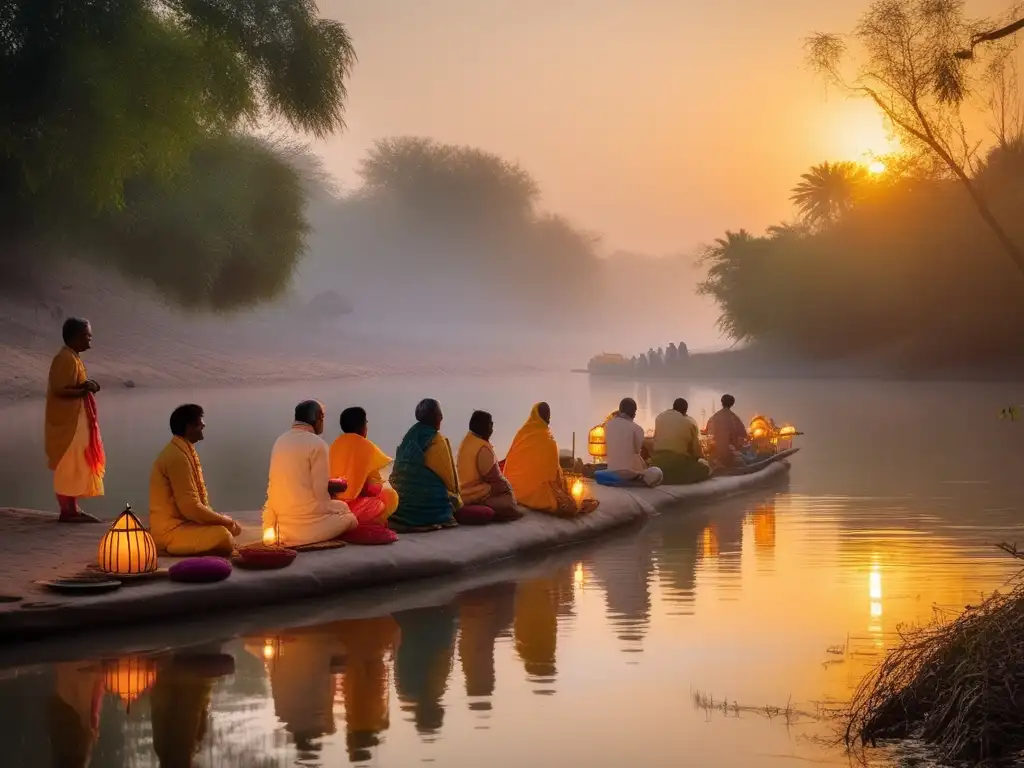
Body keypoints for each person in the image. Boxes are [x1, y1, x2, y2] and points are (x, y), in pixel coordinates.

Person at [149, 404, 241, 555]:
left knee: (231, 529)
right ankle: (166, 544)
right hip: (171, 531)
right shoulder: (177, 456)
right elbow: (190, 507)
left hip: (186, 524)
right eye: (200, 427)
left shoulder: (181, 450)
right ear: (189, 427)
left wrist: (223, 521)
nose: (203, 432)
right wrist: (224, 520)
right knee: (223, 536)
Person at [264, 400, 358, 547]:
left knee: (340, 508)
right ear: (319, 418)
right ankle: (303, 537)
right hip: (303, 524)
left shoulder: (280, 441)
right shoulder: (318, 444)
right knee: (349, 517)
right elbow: (320, 497)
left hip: (277, 523)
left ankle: (287, 533)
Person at [45, 317, 105, 523]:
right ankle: (67, 511)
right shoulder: (65, 358)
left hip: (76, 421)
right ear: (75, 337)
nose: (90, 340)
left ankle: (73, 508)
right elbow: (59, 389)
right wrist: (84, 389)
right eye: (87, 336)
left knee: (77, 463)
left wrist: (87, 386)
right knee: (68, 465)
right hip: (67, 424)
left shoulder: (73, 357)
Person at [503, 402, 596, 516]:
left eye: (549, 415)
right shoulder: (546, 439)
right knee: (570, 504)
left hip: (512, 488)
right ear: (540, 416)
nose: (549, 418)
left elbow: (510, 460)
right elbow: (551, 475)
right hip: (533, 492)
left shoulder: (522, 433)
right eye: (546, 415)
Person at [388, 399, 463, 531]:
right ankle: (427, 520)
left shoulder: (409, 436)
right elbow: (449, 479)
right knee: (454, 499)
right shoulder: (436, 439)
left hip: (400, 504)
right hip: (425, 502)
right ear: (435, 418)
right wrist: (456, 496)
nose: (442, 417)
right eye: (439, 414)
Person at [329, 407, 399, 527]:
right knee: (390, 496)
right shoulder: (366, 446)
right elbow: (372, 488)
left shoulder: (336, 444)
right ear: (361, 426)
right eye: (366, 423)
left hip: (331, 508)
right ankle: (375, 522)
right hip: (352, 510)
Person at [456, 410, 520, 520]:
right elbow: (495, 478)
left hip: (463, 494)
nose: (492, 428)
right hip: (476, 495)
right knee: (509, 501)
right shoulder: (482, 448)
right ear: (483, 426)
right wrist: (508, 489)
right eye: (491, 424)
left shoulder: (467, 441)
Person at [603, 397, 664, 487]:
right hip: (628, 474)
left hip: (611, 470)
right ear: (634, 413)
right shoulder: (637, 429)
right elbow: (636, 451)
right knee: (657, 472)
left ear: (620, 410)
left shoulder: (607, 425)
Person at [650, 398, 711, 484]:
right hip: (677, 465)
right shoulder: (689, 422)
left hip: (657, 463)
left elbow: (655, 440)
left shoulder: (659, 418)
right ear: (685, 411)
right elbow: (697, 453)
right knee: (704, 468)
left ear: (674, 407)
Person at [706, 394, 753, 467]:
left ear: (722, 403)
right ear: (732, 404)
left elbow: (708, 434)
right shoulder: (735, 418)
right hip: (730, 457)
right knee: (745, 460)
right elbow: (743, 436)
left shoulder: (713, 418)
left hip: (714, 457)